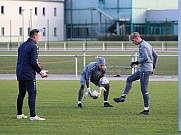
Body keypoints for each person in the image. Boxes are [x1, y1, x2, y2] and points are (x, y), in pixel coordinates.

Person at [113, 32, 158, 115]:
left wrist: (136, 62)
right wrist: (153, 65)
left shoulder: (142, 46)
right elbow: (156, 56)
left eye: (133, 40)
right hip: (144, 69)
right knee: (129, 79)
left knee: (144, 90)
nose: (133, 43)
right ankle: (123, 97)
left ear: (137, 38)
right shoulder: (147, 44)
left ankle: (146, 110)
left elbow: (145, 58)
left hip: (145, 70)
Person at [16, 29, 48, 120]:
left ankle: (19, 114)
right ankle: (33, 115)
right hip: (28, 74)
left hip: (20, 72)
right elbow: (33, 62)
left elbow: (25, 60)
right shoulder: (33, 46)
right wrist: (41, 72)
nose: (39, 38)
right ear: (34, 36)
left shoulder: (21, 46)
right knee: (32, 93)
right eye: (38, 36)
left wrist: (37, 66)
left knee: (21, 93)